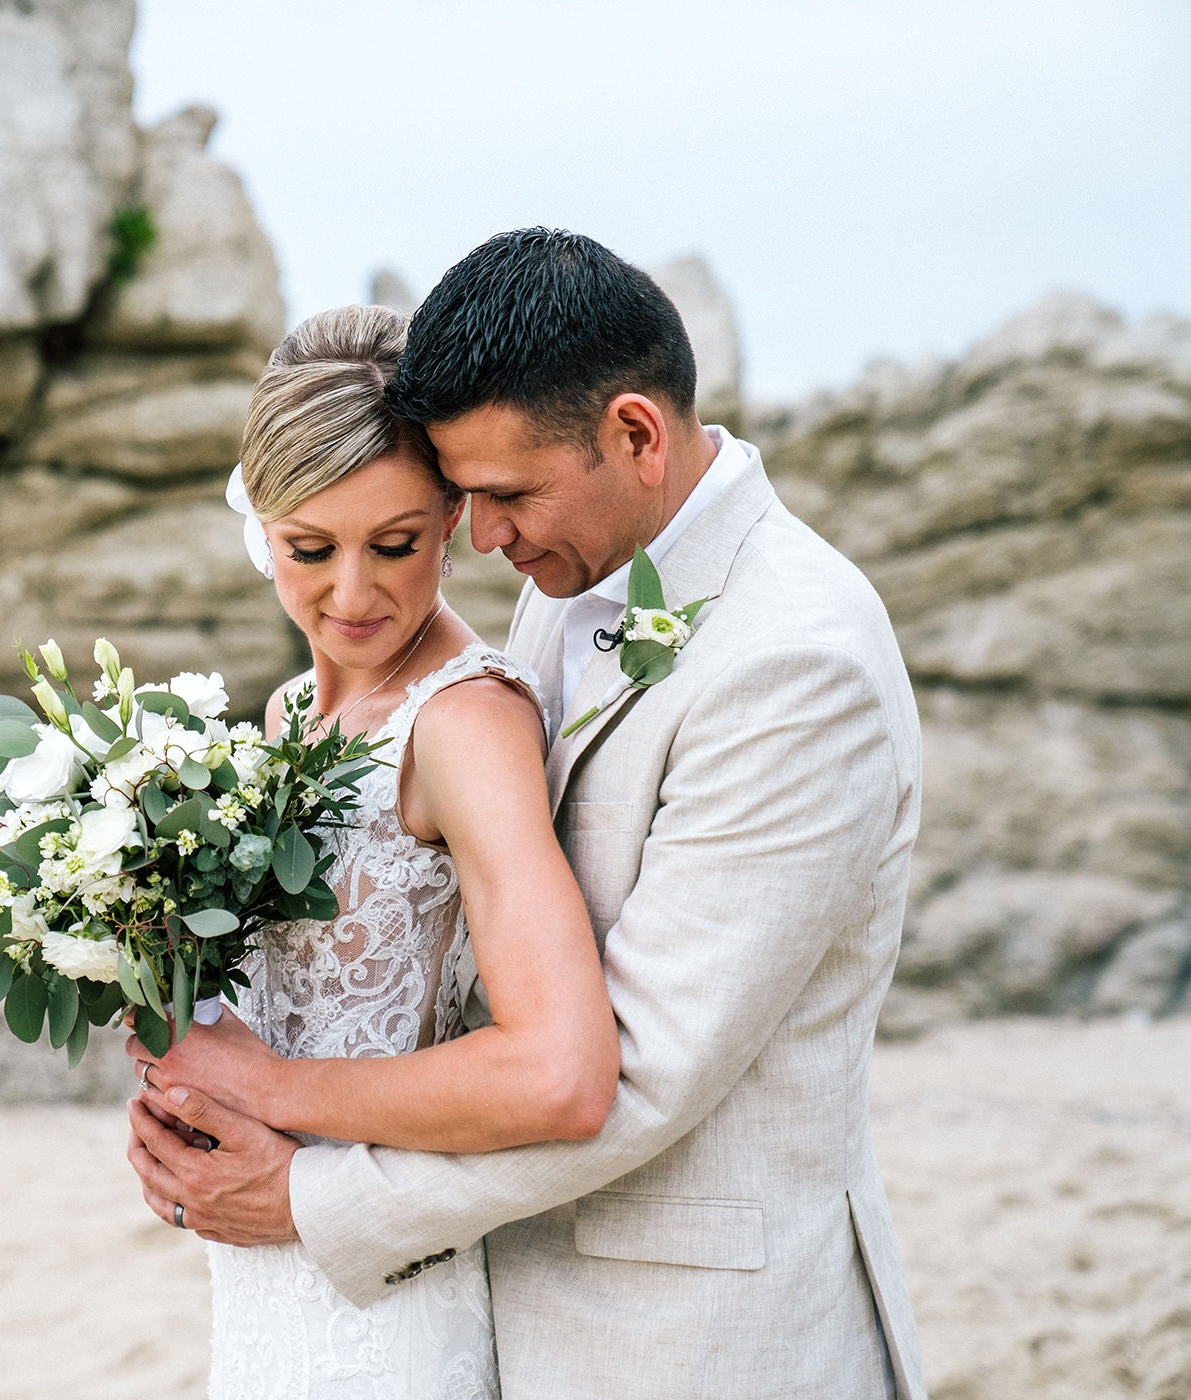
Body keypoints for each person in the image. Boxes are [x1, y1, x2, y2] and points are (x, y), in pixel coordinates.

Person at [126, 229, 928, 1400]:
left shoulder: (797, 665)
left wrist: (300, 1178)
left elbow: (633, 1071)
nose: (486, 538)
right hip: (496, 1293)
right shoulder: (571, 580)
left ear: (636, 434)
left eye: (501, 496)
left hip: (694, 1337)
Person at [127, 302, 622, 1397]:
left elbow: (561, 1070)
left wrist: (272, 1085)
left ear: (453, 515)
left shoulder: (467, 723)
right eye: (310, 548)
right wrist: (181, 1084)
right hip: (260, 1274)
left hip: (386, 1300)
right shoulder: (289, 711)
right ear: (260, 527)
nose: (353, 594)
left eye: (395, 545)